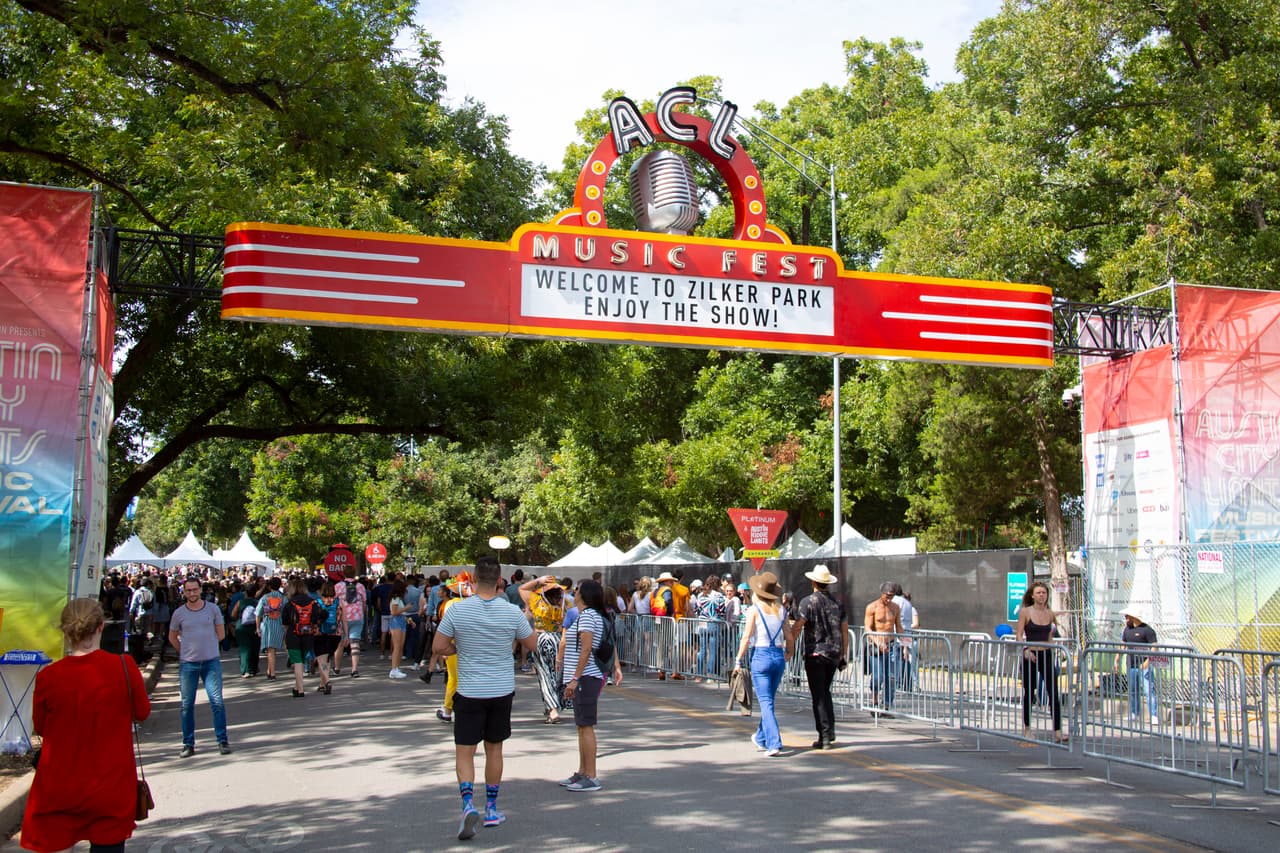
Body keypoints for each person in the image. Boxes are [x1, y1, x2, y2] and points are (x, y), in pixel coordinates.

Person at [21, 599, 151, 853]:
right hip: (111, 783)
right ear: (101, 626)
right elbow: (142, 712)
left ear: (65, 630)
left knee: (54, 841)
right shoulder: (124, 667)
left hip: (61, 782)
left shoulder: (49, 677)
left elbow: (42, 727)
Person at [432, 556, 536, 840]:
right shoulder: (511, 612)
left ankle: (468, 804)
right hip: (501, 690)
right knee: (495, 749)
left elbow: (438, 646)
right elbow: (532, 643)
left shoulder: (457, 610)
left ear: (475, 579)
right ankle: (491, 808)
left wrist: (458, 648)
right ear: (499, 580)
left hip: (469, 691)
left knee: (465, 751)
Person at [559, 579, 624, 792]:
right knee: (581, 725)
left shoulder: (587, 616)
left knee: (586, 725)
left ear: (583, 594)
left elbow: (586, 649)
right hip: (586, 676)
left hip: (586, 676)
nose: (574, 592)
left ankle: (591, 775)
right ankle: (582, 771)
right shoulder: (590, 615)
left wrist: (575, 678)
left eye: (577, 590)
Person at [732, 572, 794, 757]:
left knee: (766, 702)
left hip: (761, 655)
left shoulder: (754, 610)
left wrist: (738, 659)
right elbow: (789, 636)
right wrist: (790, 652)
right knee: (769, 701)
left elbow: (746, 637)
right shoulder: (781, 611)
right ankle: (761, 737)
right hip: (777, 655)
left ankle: (774, 743)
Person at [168, 576, 231, 757]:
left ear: (200, 590)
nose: (192, 593)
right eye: (188, 590)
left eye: (195, 590)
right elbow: (172, 636)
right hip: (188, 663)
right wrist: (184, 650)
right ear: (184, 592)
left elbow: (221, 634)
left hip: (211, 662)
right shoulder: (179, 613)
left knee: (217, 702)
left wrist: (208, 645)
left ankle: (222, 740)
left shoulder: (213, 609)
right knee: (187, 705)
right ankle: (188, 743)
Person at [793, 565, 848, 749]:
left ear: (813, 582)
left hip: (815, 653)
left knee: (819, 695)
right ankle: (829, 731)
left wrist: (789, 644)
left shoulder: (807, 602)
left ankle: (824, 735)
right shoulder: (837, 603)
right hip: (833, 653)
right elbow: (844, 630)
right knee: (825, 691)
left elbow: (799, 625)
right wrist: (843, 653)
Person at [1015, 581, 1066, 743]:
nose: (1041, 595)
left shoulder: (1050, 613)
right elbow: (1019, 635)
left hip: (1046, 654)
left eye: (1044, 593)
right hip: (1030, 655)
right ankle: (1027, 729)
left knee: (1054, 693)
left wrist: (1057, 651)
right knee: (1029, 692)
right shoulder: (1026, 612)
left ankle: (1057, 731)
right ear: (1032, 595)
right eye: (1038, 593)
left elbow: (1050, 635)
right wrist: (1026, 650)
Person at [519, 574, 567, 723]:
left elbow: (522, 589)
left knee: (544, 674)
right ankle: (554, 705)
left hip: (541, 638)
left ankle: (552, 709)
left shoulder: (536, 600)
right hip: (558, 639)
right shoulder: (564, 604)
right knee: (556, 674)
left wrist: (538, 580)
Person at [864, 581, 903, 712]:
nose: (889, 599)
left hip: (891, 645)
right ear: (882, 593)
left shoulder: (895, 607)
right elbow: (868, 628)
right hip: (876, 647)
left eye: (892, 596)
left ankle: (887, 705)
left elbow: (899, 627)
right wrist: (878, 642)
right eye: (887, 596)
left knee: (891, 677)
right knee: (878, 676)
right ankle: (874, 699)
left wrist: (905, 643)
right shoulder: (872, 607)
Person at [281, 577, 323, 698]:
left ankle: (300, 689)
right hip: (308, 635)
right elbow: (317, 618)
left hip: (293, 635)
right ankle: (297, 687)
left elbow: (285, 622)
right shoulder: (312, 602)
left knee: (297, 662)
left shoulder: (289, 603)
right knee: (302, 659)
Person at [1119, 607, 1159, 724]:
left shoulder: (1147, 630)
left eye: (1127, 616)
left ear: (1133, 617)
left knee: (1149, 690)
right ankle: (1134, 713)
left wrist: (1147, 662)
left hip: (1144, 665)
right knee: (1133, 690)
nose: (1126, 619)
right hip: (1131, 665)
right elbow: (1122, 645)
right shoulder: (1127, 630)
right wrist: (1117, 659)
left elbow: (1154, 647)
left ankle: (1153, 715)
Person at [692, 575, 727, 682]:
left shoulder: (700, 595)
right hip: (713, 623)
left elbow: (696, 609)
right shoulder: (718, 595)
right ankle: (710, 675)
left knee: (702, 649)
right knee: (713, 650)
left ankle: (698, 675)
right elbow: (722, 611)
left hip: (702, 623)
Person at [333, 568, 366, 677]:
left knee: (340, 643)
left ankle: (337, 668)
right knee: (355, 642)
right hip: (357, 616)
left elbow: (333, 601)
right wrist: (361, 613)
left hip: (343, 617)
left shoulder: (338, 586)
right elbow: (364, 602)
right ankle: (354, 669)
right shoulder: (360, 586)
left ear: (344, 574)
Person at [256, 577, 287, 680]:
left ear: (269, 586)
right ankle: (269, 670)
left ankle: (272, 672)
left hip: (267, 624)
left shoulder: (265, 597)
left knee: (270, 649)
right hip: (279, 624)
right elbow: (286, 612)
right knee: (273, 649)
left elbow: (258, 613)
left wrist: (257, 628)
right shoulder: (284, 598)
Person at [231, 583, 260, 678]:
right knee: (255, 648)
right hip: (254, 627)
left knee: (244, 649)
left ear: (246, 593)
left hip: (241, 627)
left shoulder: (240, 602)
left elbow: (233, 614)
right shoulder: (257, 602)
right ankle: (253, 669)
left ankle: (245, 670)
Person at [387, 578, 409, 679]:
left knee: (400, 646)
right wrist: (406, 608)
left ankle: (396, 667)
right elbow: (394, 612)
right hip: (396, 621)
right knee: (397, 646)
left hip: (401, 620)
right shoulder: (395, 599)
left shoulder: (398, 599)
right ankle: (394, 669)